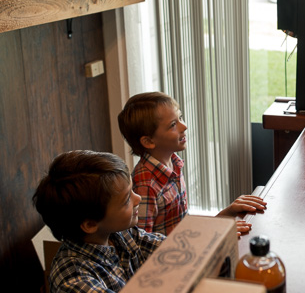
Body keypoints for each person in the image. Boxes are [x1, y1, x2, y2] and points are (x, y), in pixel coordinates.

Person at [118, 91, 266, 236]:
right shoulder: (146, 185)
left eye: (180, 117)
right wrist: (216, 232)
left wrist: (228, 214)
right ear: (149, 141)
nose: (184, 126)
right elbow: (142, 245)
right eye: (173, 125)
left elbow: (184, 229)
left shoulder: (174, 164)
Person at [33, 150, 165, 292]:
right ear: (90, 224)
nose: (138, 198)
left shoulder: (118, 233)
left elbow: (165, 247)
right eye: (127, 199)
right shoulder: (74, 280)